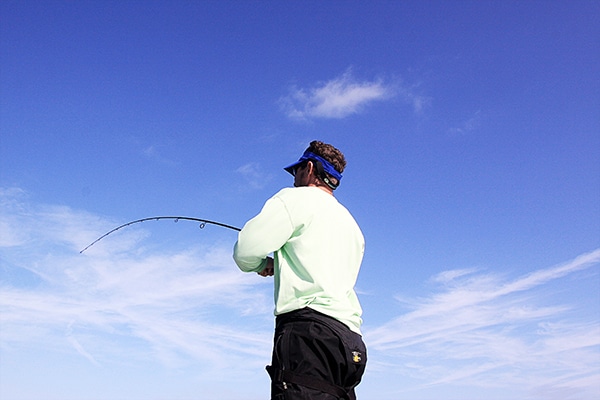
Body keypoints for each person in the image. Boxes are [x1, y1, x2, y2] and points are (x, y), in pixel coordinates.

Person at [233, 140, 367, 400]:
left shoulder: (293, 199)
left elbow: (245, 251)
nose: (294, 178)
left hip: (309, 337)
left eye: (296, 171)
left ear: (308, 168)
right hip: (350, 343)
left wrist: (263, 264)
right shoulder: (352, 225)